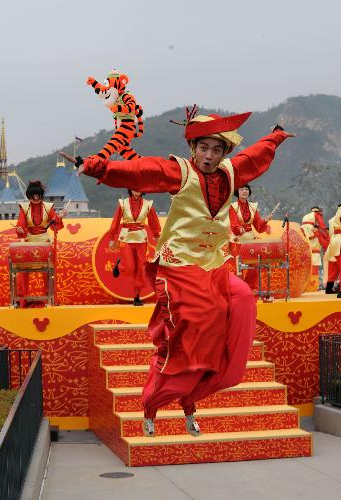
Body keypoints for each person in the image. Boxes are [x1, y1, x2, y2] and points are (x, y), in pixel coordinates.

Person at [69, 110, 294, 436]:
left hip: (215, 264)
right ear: (193, 147)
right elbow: (141, 171)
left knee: (242, 297)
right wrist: (97, 166)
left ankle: (202, 389)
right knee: (189, 332)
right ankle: (152, 404)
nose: (209, 155)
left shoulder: (231, 172)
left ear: (224, 152)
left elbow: (255, 156)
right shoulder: (180, 172)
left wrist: (275, 135)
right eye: (204, 148)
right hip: (180, 266)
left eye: (217, 150)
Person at [15, 180, 67, 307]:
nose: (36, 198)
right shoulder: (24, 207)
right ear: (29, 196)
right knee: (23, 271)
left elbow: (55, 225)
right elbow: (20, 224)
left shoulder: (48, 207)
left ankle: (49, 298)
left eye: (38, 195)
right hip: (28, 241)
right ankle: (23, 299)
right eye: (33, 196)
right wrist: (20, 229)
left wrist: (60, 217)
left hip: (44, 241)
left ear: (40, 195)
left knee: (48, 271)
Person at [109, 189, 161, 305]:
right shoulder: (123, 203)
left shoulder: (148, 205)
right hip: (126, 238)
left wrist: (157, 236)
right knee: (130, 266)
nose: (136, 190)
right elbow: (116, 221)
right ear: (129, 189)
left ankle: (136, 296)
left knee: (140, 268)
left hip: (141, 238)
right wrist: (112, 238)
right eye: (133, 186)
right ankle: (120, 264)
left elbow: (154, 222)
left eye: (139, 187)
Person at [229, 184, 271, 292]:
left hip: (250, 239)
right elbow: (234, 224)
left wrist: (265, 221)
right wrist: (239, 229)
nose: (244, 191)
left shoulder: (253, 207)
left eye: (246, 189)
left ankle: (249, 287)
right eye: (242, 189)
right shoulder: (233, 207)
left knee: (255, 263)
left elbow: (258, 227)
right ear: (237, 192)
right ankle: (238, 289)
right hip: (238, 240)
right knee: (238, 266)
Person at [301, 206, 329, 291]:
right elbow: (322, 225)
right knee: (313, 271)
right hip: (314, 254)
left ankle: (307, 287)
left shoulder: (306, 217)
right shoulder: (317, 217)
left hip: (306, 254)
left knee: (307, 272)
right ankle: (312, 288)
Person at [324, 204, 341, 297]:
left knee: (333, 267)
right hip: (339, 240)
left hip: (333, 241)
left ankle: (329, 288)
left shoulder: (331, 220)